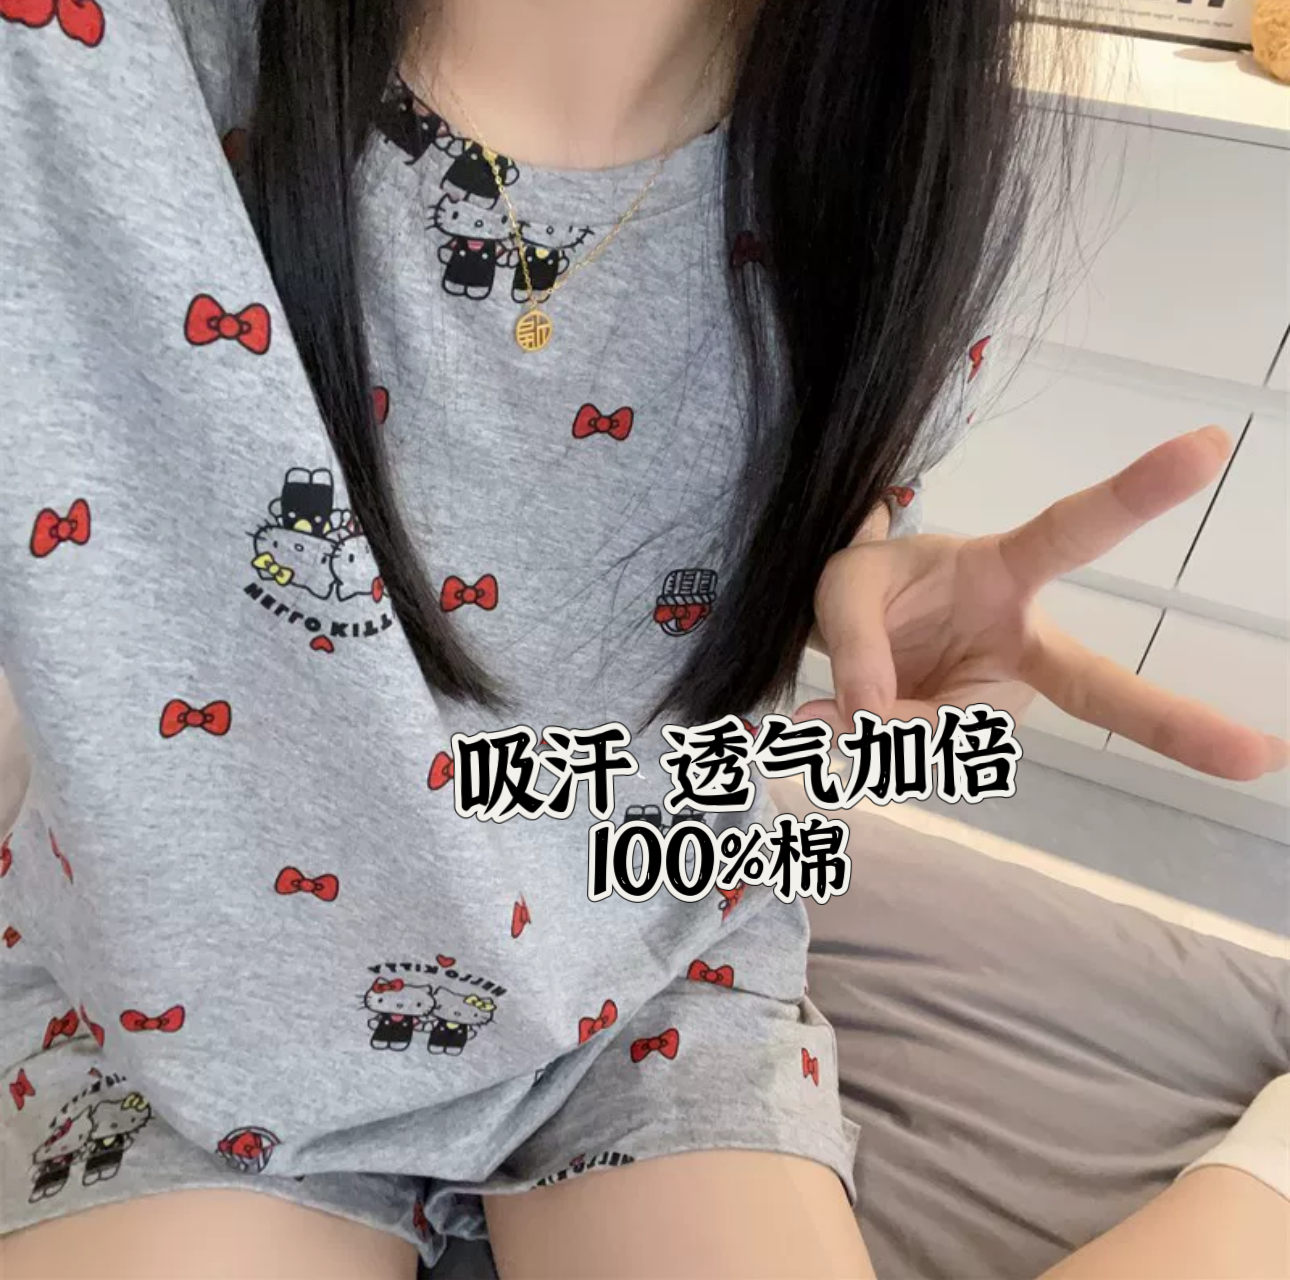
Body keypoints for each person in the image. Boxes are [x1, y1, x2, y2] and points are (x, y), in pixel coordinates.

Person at [0, 1, 1285, 1276]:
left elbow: (807, 491)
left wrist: (861, 565)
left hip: (647, 942)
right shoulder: (97, 61)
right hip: (190, 980)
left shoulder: (906, 139)